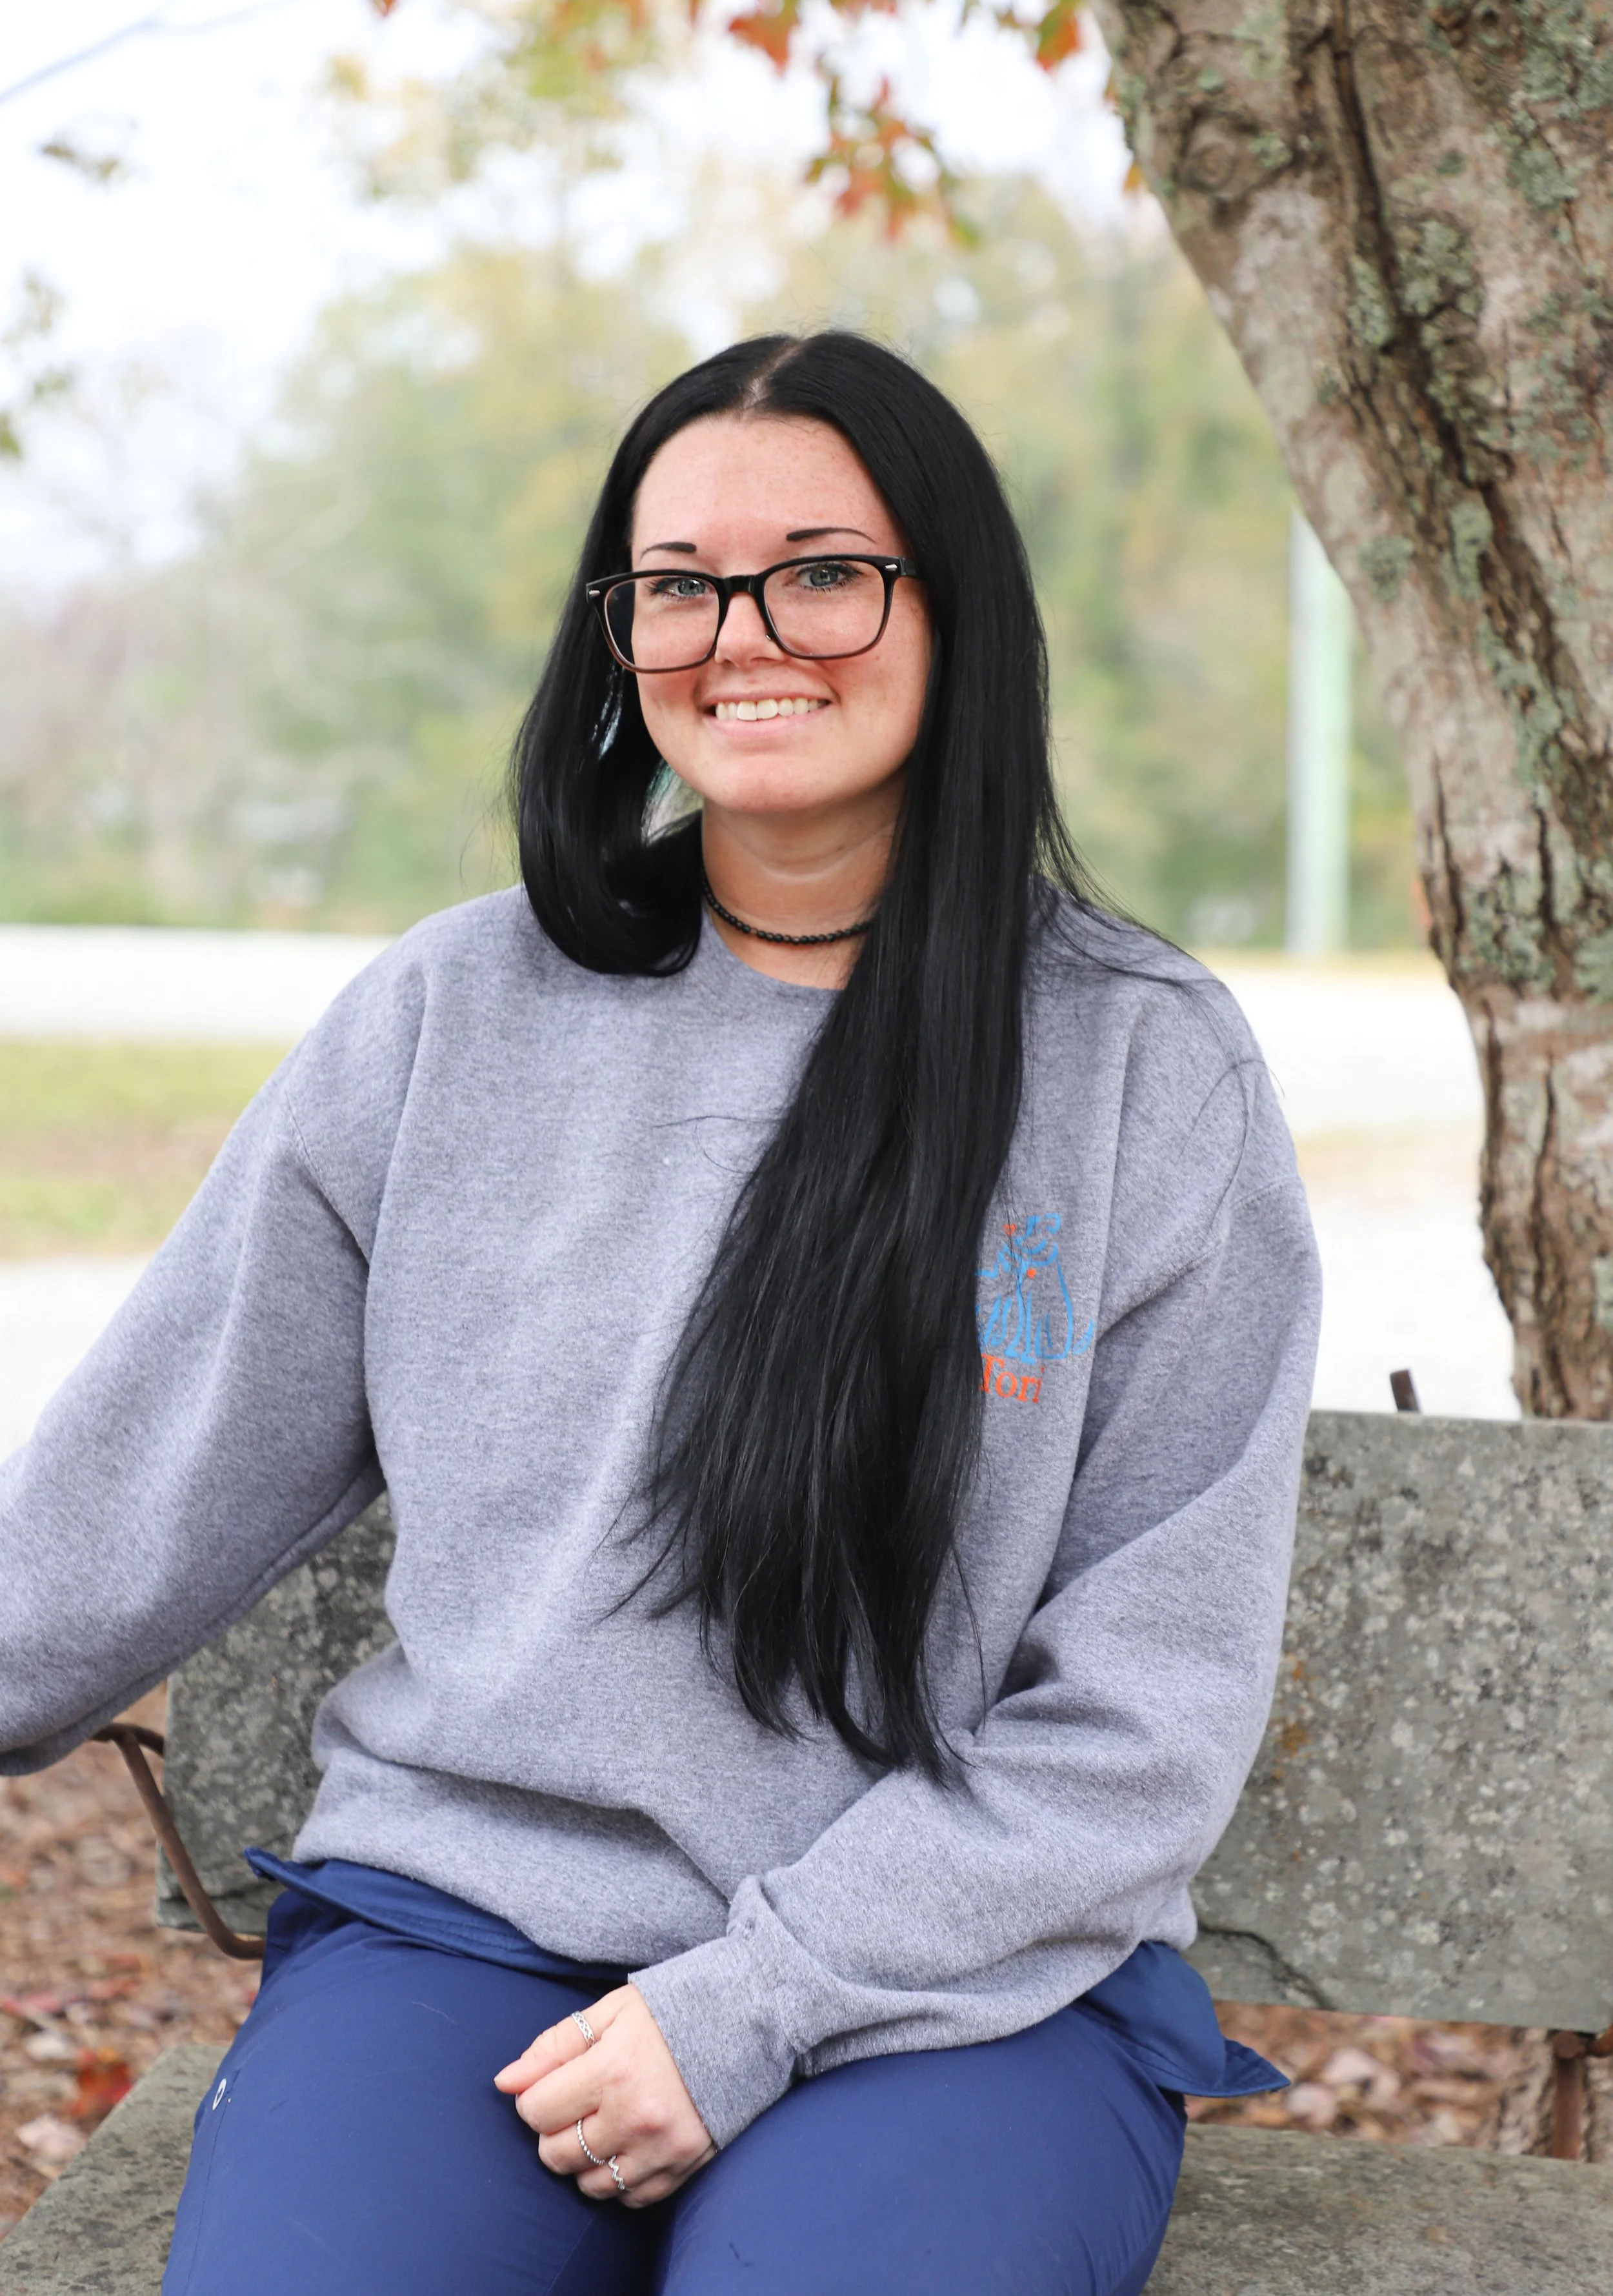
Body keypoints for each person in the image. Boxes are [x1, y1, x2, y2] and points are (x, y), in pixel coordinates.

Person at [0, 332, 1320, 2295]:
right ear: (617, 636)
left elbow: (1146, 1709)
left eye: (822, 571)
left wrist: (748, 2008)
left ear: (955, 609)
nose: (743, 635)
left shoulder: (1138, 1067)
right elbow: (148, 1477)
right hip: (468, 1935)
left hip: (959, 1989)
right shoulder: (452, 1017)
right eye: (678, 584)